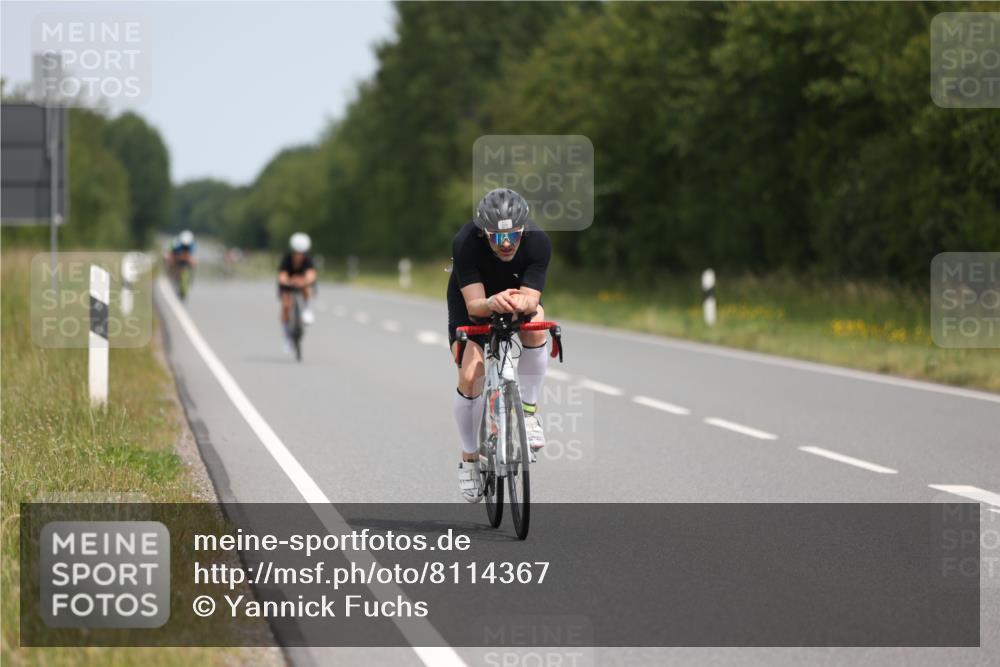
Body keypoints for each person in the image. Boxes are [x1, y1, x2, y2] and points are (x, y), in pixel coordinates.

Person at [448, 188, 551, 502]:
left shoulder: (538, 241)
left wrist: (520, 301)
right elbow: (475, 306)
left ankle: (529, 414)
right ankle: (469, 458)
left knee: (536, 324)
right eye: (496, 238)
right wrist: (492, 302)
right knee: (470, 376)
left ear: (523, 230)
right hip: (475, 300)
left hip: (514, 296)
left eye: (512, 237)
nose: (505, 245)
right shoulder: (465, 242)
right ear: (483, 233)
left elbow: (532, 298)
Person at [277, 232, 317, 353]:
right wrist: (288, 281)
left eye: (302, 253)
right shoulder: (286, 258)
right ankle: (286, 338)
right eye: (297, 253)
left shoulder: (308, 259)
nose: (299, 255)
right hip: (288, 283)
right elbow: (282, 275)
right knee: (286, 305)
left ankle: (307, 309)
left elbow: (311, 274)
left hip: (302, 282)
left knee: (307, 289)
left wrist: (304, 281)